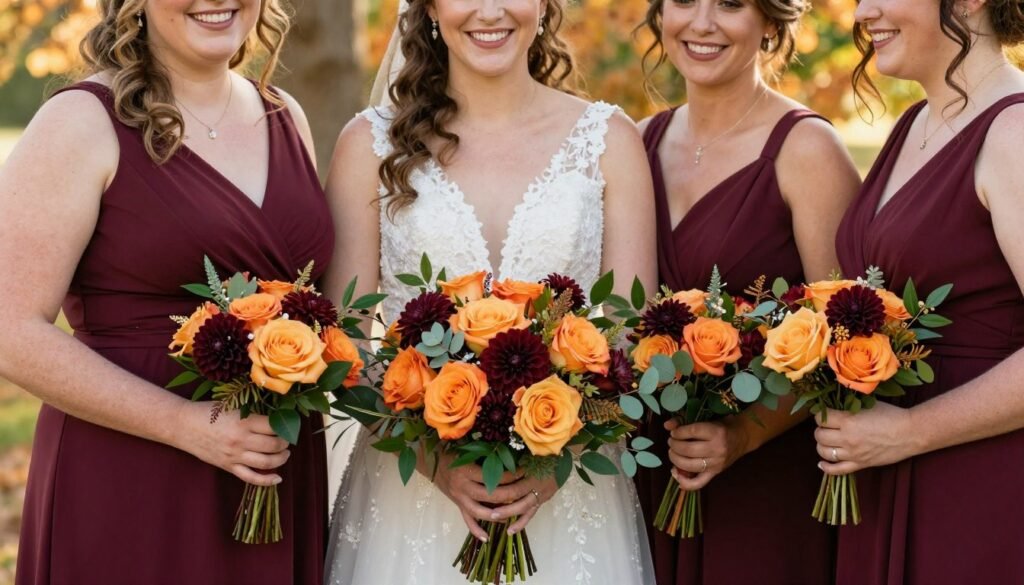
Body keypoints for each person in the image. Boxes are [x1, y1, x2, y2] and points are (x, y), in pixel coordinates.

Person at [320, 0, 658, 582]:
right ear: (429, 8)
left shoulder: (609, 141)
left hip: (570, 496)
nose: (490, 10)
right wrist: (433, 461)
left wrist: (558, 459)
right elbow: (343, 345)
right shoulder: (368, 145)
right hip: (410, 500)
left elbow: (636, 341)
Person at [0, 1, 333, 583]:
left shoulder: (285, 114)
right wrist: (184, 425)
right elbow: (9, 328)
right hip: (133, 475)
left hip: (272, 470)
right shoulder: (81, 122)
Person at [633, 0, 861, 581]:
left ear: (771, 22)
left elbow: (846, 338)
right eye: (684, 1)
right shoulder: (636, 144)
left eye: (731, 4)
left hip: (765, 485)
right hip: (649, 469)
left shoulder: (807, 149)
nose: (702, 23)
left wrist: (741, 435)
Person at [819, 0, 1024, 581]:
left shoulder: (1014, 133)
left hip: (979, 495)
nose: (864, 11)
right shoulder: (915, 123)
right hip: (887, 476)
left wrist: (910, 432)